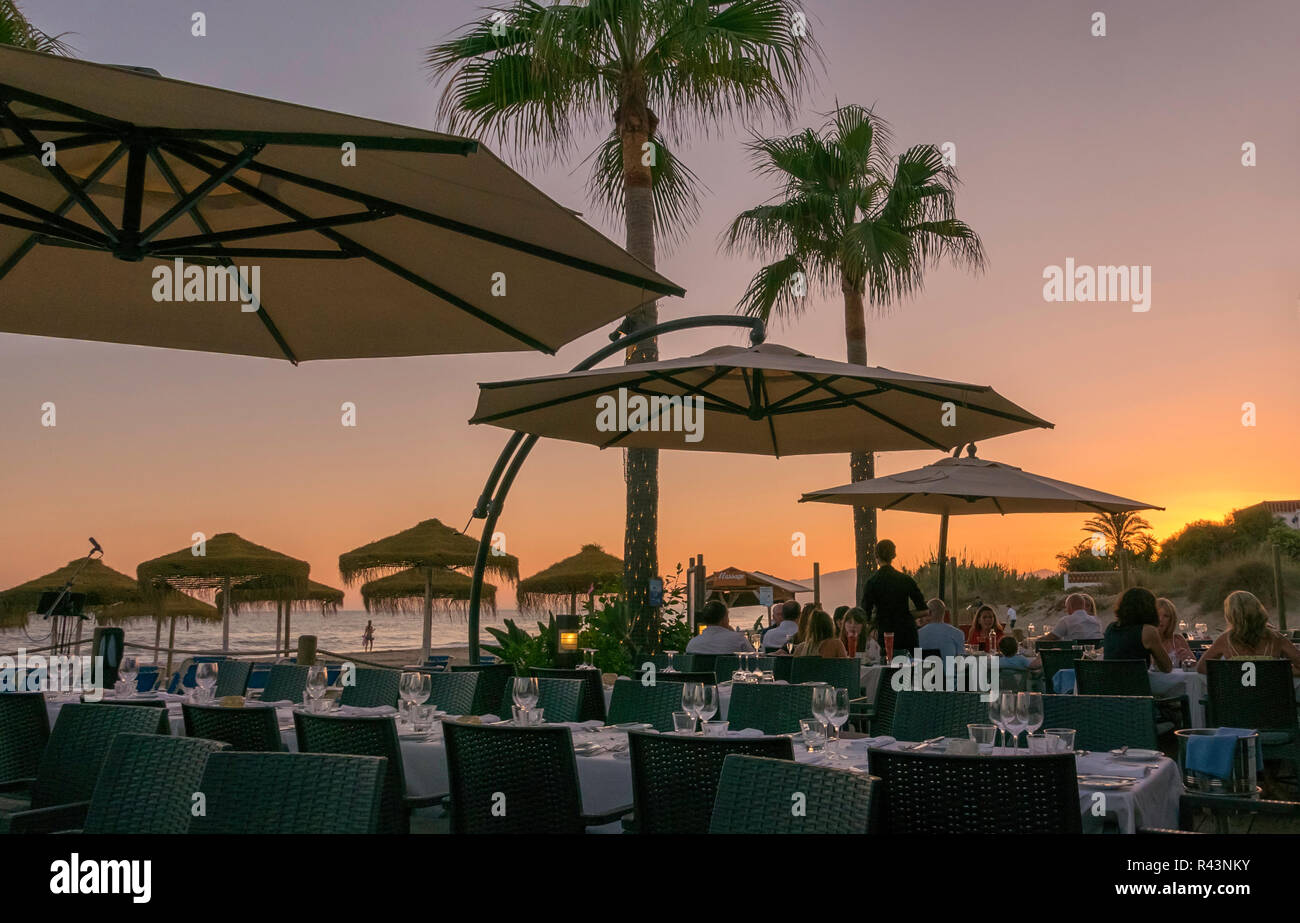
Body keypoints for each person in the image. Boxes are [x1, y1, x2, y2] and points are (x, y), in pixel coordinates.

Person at [1197, 591, 1300, 676]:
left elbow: (1201, 667)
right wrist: (1280, 673)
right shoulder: (1276, 638)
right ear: (1259, 610)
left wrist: (1231, 674)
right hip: (1273, 698)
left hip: (1235, 699)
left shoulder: (1225, 640)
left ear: (1230, 615)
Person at [859, 540, 925, 655]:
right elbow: (924, 610)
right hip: (908, 633)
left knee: (887, 667)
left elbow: (865, 615)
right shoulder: (906, 580)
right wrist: (907, 615)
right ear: (894, 555)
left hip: (885, 633)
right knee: (913, 669)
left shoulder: (872, 583)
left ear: (876, 556)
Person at [1102, 587, 1172, 672]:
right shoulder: (1148, 631)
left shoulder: (1110, 628)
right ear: (1149, 609)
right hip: (1136, 684)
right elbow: (1167, 667)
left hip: (1109, 684)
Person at [685, 600, 754, 654]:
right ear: (724, 619)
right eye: (727, 617)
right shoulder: (738, 640)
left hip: (706, 672)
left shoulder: (693, 644)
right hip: (729, 672)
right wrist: (732, 633)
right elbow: (754, 660)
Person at [1156, 597, 1194, 666]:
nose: (1160, 619)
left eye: (1166, 616)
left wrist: (1187, 659)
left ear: (1171, 620)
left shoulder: (1178, 640)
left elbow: (1194, 666)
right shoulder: (1145, 640)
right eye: (1157, 615)